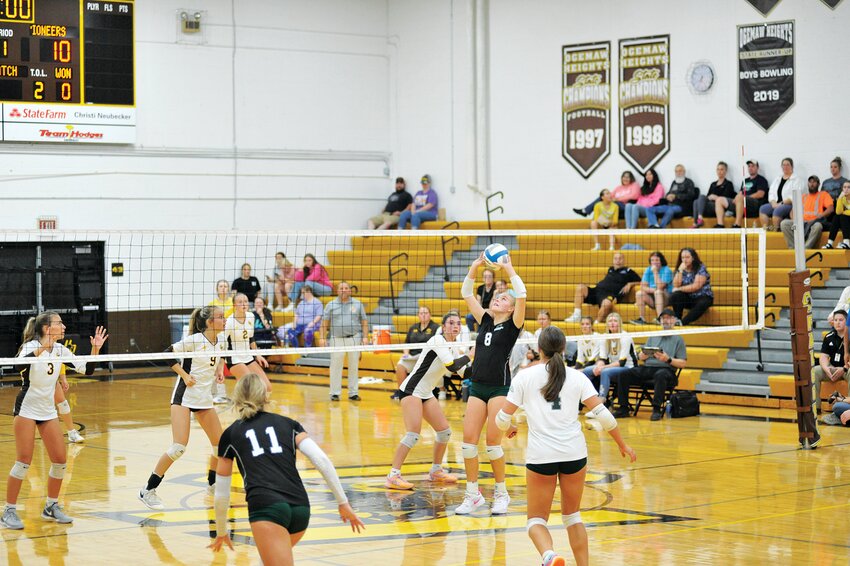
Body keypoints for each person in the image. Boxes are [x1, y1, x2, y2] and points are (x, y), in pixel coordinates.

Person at [497, 326, 636, 566]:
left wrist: (508, 427)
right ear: (563, 348)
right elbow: (605, 417)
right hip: (574, 453)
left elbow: (500, 418)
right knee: (572, 516)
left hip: (542, 456)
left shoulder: (525, 377)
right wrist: (622, 445)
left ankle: (549, 556)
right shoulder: (578, 376)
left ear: (539, 349)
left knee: (536, 521)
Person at [208, 374, 365, 563]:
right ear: (265, 396)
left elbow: (221, 492)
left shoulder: (231, 433)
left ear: (237, 399)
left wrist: (222, 530)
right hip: (300, 509)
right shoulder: (289, 424)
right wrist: (343, 502)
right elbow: (321, 459)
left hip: (267, 508)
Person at [1, 313, 107, 530]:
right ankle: (8, 510)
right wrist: (44, 347)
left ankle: (51, 506)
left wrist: (96, 349)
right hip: (27, 409)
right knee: (23, 462)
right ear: (47, 328)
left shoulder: (60, 349)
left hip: (48, 411)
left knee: (60, 461)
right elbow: (15, 368)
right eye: (59, 323)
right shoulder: (29, 346)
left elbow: (86, 369)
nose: (64, 326)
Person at [455, 251, 527, 516]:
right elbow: (466, 293)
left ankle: (501, 493)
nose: (498, 298)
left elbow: (522, 295)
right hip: (477, 386)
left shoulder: (514, 325)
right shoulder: (485, 319)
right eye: (497, 296)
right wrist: (474, 267)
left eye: (504, 298)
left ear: (510, 308)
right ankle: (472, 495)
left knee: (492, 444)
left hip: (499, 388)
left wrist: (508, 269)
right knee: (467, 444)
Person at [138, 306, 226, 511]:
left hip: (204, 398)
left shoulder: (222, 339)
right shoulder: (194, 340)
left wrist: (219, 370)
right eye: (221, 317)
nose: (225, 320)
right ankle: (148, 490)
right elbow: (167, 354)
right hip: (184, 397)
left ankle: (213, 484)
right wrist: (185, 376)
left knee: (219, 447)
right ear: (210, 322)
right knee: (179, 447)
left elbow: (221, 356)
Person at [385, 312, 471, 490]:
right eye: (451, 323)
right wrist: (471, 355)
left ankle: (436, 471)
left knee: (444, 432)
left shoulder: (453, 347)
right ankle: (393, 476)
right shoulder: (437, 340)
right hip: (411, 390)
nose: (455, 326)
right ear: (444, 326)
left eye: (458, 323)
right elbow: (452, 366)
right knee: (413, 434)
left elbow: (463, 373)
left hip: (425, 393)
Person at [614, 309, 687, 421]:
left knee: (660, 375)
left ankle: (656, 409)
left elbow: (683, 363)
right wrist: (642, 356)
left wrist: (668, 359)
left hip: (666, 370)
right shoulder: (653, 336)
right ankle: (623, 408)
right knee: (624, 374)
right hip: (648, 368)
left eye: (668, 318)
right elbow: (641, 356)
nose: (665, 320)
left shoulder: (678, 339)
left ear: (674, 320)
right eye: (663, 318)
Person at [318, 281, 369, 402]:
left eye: (346, 288)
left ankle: (353, 393)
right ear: (337, 291)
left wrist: (365, 337)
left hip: (354, 338)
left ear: (350, 291)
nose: (344, 290)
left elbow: (364, 322)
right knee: (335, 366)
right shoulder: (331, 305)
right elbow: (324, 323)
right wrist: (322, 337)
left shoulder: (357, 304)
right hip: (336, 339)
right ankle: (335, 393)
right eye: (341, 288)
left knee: (353, 366)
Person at [565, 252, 640, 323]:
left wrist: (630, 284)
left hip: (610, 295)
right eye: (615, 258)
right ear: (613, 260)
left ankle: (596, 324)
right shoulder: (610, 269)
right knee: (580, 287)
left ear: (624, 260)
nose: (617, 261)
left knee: (607, 304)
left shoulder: (628, 271)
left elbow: (642, 281)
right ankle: (577, 315)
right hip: (597, 291)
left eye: (620, 258)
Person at [225, 293, 271, 392]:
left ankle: (257, 406)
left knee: (267, 387)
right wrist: (219, 367)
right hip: (234, 358)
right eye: (240, 302)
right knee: (251, 388)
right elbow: (222, 343)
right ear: (234, 306)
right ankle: (241, 404)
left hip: (248, 356)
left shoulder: (250, 316)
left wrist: (258, 355)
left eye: (245, 301)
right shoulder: (229, 322)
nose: (244, 304)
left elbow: (251, 338)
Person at [393, 306, 440, 399]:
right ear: (418, 315)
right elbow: (406, 343)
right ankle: (401, 392)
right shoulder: (413, 327)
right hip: (413, 356)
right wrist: (406, 354)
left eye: (426, 313)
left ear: (430, 315)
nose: (423, 315)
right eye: (421, 313)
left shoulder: (436, 328)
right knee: (400, 365)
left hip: (427, 357)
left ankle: (427, 392)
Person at [592, 313, 636, 404]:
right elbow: (603, 358)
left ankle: (600, 402)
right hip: (613, 367)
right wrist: (599, 366)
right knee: (589, 370)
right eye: (610, 321)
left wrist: (603, 367)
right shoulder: (605, 337)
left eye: (615, 321)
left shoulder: (625, 337)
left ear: (619, 323)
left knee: (605, 372)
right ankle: (586, 401)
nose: (612, 323)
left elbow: (622, 363)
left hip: (629, 368)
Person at [779, 176, 833, 249]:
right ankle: (794, 248)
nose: (812, 184)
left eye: (814, 182)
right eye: (810, 182)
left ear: (818, 184)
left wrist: (821, 216)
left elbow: (830, 209)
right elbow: (793, 211)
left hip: (814, 222)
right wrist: (796, 220)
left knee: (818, 226)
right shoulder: (803, 196)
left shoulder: (823, 194)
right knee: (784, 224)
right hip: (802, 223)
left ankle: (805, 248)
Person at [813, 309, 848, 411]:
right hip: (832, 368)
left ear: (847, 321)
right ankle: (816, 408)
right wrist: (827, 369)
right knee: (815, 371)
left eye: (840, 320)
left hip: (846, 369)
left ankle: (848, 408)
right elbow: (823, 357)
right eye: (835, 320)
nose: (837, 322)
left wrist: (844, 368)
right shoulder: (829, 337)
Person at [669, 248, 714, 326]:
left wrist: (679, 289)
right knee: (676, 295)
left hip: (702, 297)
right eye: (682, 257)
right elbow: (676, 285)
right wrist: (680, 270)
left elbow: (696, 286)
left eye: (687, 257)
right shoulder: (680, 269)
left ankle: (683, 322)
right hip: (688, 298)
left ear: (693, 258)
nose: (684, 260)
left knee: (703, 303)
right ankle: (677, 318)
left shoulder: (700, 268)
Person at [646, 164, 697, 228]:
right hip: (669, 205)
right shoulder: (674, 182)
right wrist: (668, 196)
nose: (678, 173)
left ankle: (661, 228)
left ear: (684, 171)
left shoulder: (689, 182)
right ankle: (654, 225)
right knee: (649, 209)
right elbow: (669, 192)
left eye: (680, 171)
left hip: (681, 206)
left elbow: (691, 195)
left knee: (670, 210)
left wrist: (676, 196)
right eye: (676, 171)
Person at [722, 160, 769, 229]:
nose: (750, 168)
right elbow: (740, 193)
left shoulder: (761, 180)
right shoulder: (745, 181)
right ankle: (720, 225)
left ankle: (737, 224)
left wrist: (744, 197)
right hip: (742, 201)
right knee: (720, 200)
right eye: (749, 166)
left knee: (740, 198)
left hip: (755, 203)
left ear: (757, 168)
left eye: (753, 166)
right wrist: (736, 198)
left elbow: (760, 194)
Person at [759, 157, 802, 231]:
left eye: (787, 165)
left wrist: (781, 203)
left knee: (778, 210)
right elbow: (771, 192)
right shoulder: (777, 179)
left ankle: (776, 231)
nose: (785, 167)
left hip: (789, 204)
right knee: (763, 209)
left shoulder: (797, 179)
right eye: (783, 165)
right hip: (775, 204)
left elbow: (794, 196)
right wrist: (773, 202)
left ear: (792, 166)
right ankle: (766, 231)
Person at [631, 251, 674, 324]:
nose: (654, 262)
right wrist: (654, 290)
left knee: (658, 292)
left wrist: (655, 272)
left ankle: (660, 318)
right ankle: (642, 319)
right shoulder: (648, 269)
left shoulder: (666, 270)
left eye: (657, 260)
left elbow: (660, 287)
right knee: (639, 293)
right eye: (652, 260)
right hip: (653, 296)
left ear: (661, 261)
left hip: (666, 298)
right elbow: (643, 287)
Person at [574, 171, 639, 217]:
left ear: (631, 178)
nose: (625, 179)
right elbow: (610, 195)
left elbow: (634, 196)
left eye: (627, 177)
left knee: (608, 201)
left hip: (626, 207)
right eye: (624, 177)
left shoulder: (634, 185)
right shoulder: (619, 187)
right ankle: (586, 212)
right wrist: (606, 196)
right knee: (602, 197)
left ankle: (585, 211)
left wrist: (618, 199)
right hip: (616, 205)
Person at [691, 161, 735, 228]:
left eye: (721, 169)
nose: (719, 171)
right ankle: (697, 221)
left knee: (699, 200)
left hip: (718, 208)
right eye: (718, 169)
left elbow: (727, 199)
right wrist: (710, 197)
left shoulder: (728, 184)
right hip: (709, 206)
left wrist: (716, 197)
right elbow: (707, 197)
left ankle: (698, 221)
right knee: (697, 200)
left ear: (726, 171)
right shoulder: (713, 184)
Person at [54, 366, 84, 443]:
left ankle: (71, 433)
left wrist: (63, 378)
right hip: (34, 381)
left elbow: (60, 361)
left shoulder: (57, 353)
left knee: (63, 404)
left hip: (51, 380)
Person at [822, 181, 850, 249]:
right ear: (842, 189)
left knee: (843, 216)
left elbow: (845, 213)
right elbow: (838, 212)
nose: (846, 189)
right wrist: (839, 198)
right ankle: (830, 243)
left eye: (849, 187)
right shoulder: (842, 198)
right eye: (844, 187)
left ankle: (847, 242)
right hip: (846, 221)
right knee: (836, 217)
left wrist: (844, 212)